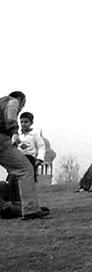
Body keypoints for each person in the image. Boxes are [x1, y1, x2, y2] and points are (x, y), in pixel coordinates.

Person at [1, 90, 46, 220]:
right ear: (20, 100)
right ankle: (30, 209)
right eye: (23, 105)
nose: (21, 108)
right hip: (2, 141)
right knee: (25, 170)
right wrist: (14, 132)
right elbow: (10, 116)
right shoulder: (12, 101)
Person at [16, 112, 49, 183]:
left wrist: (39, 159)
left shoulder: (34, 135)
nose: (23, 124)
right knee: (14, 177)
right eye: (22, 122)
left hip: (30, 159)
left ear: (31, 123)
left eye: (26, 122)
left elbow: (41, 147)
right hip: (19, 159)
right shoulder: (18, 135)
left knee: (29, 177)